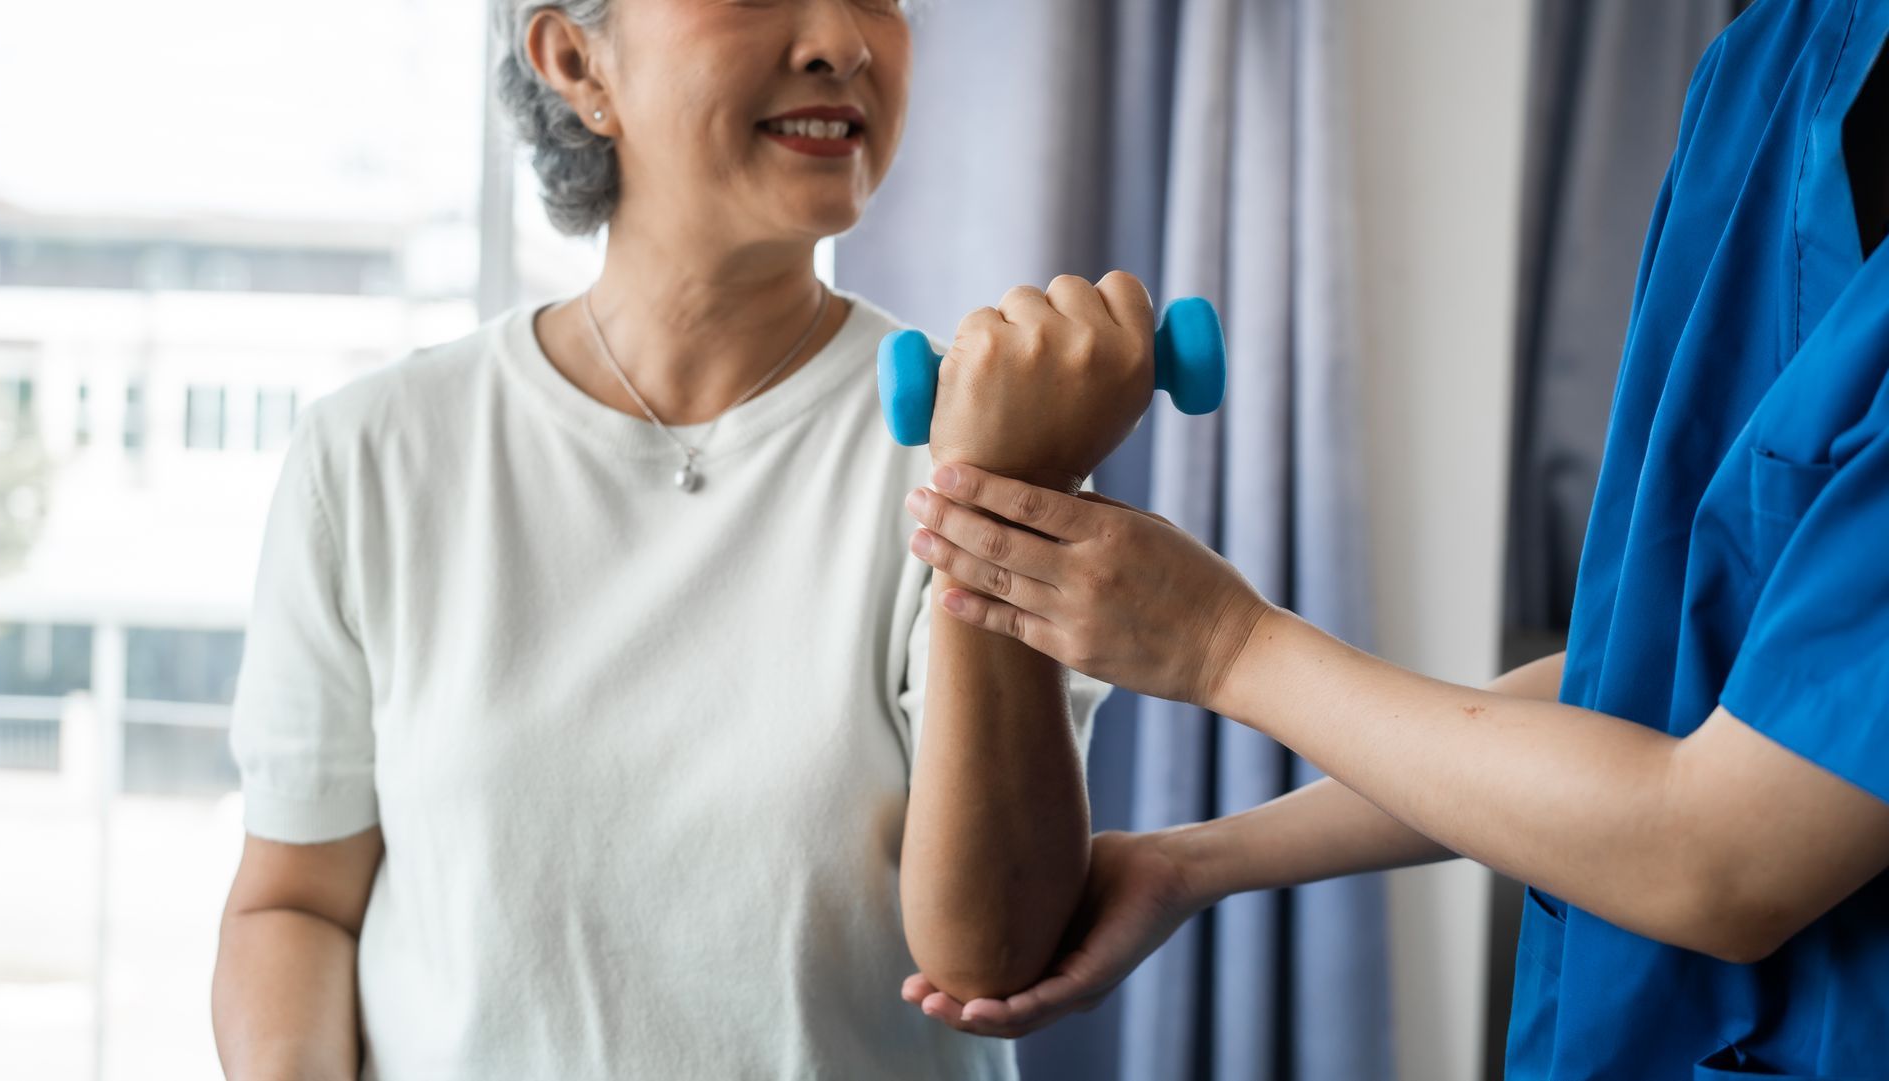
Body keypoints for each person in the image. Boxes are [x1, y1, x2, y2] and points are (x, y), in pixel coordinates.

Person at [897, 0, 1889, 1075]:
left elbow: (1727, 850)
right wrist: (1200, 858)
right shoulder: (1772, 61)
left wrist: (1225, 646)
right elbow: (1678, 677)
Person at [208, 2, 1138, 1077]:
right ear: (574, 60)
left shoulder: (977, 449)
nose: (843, 40)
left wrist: (995, 489)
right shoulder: (370, 454)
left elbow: (990, 956)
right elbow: (294, 902)